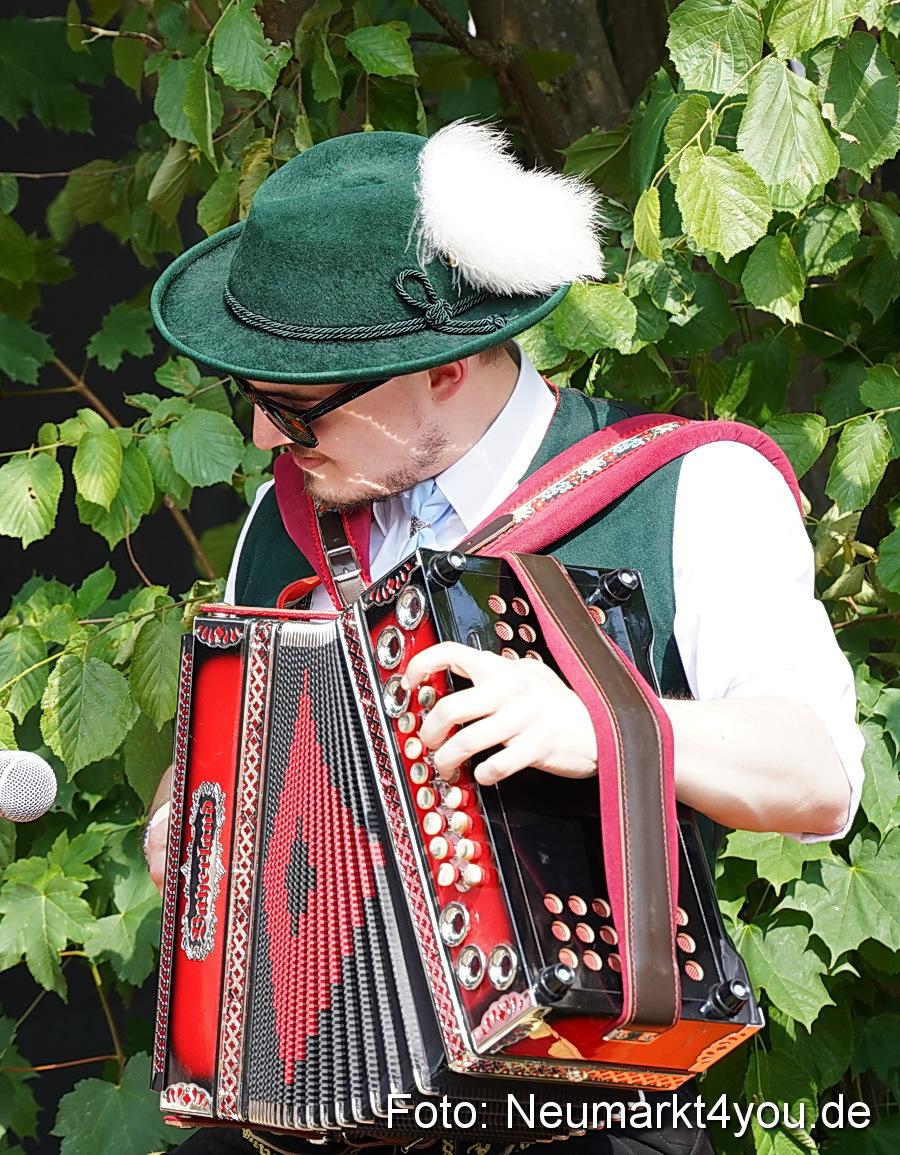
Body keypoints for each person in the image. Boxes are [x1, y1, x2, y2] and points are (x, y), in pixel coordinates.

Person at [141, 122, 861, 1155]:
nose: (265, 440)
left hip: (579, 1114)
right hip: (308, 1102)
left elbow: (818, 775)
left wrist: (600, 726)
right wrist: (187, 825)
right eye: (253, 402)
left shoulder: (690, 490)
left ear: (448, 366)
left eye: (299, 410)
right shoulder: (286, 523)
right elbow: (210, 771)